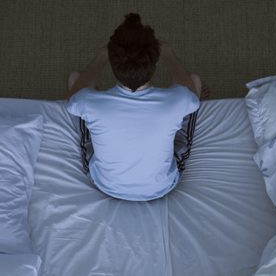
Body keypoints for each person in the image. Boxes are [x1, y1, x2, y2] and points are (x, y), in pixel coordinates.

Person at [66, 12, 203, 201]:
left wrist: (101, 56)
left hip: (105, 185)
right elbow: (193, 95)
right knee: (193, 84)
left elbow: (74, 97)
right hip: (163, 186)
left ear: (112, 61)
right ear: (155, 61)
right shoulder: (178, 100)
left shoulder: (87, 102)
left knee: (75, 81)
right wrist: (170, 55)